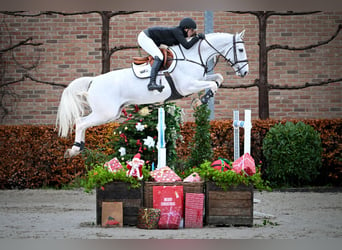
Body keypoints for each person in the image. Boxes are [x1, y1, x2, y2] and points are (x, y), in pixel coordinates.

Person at [138, 17, 205, 92]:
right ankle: (151, 83)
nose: (193, 33)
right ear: (186, 29)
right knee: (159, 56)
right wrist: (197, 37)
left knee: (161, 56)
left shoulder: (180, 33)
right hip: (145, 37)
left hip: (151, 39)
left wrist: (197, 37)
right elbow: (187, 46)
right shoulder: (177, 31)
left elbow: (187, 43)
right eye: (192, 30)